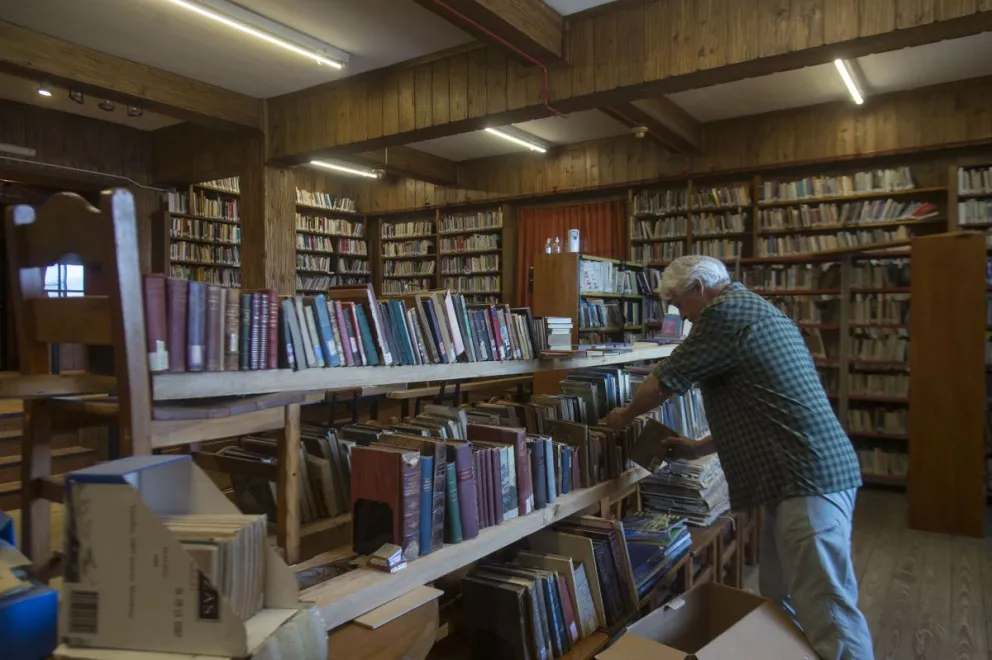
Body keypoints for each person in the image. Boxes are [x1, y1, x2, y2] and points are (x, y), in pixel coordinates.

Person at [606, 255, 873, 660]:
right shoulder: (754, 309)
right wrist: (698, 448)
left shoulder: (723, 315)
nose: (683, 317)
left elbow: (662, 383)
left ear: (699, 289)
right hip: (801, 476)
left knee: (828, 609)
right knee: (780, 596)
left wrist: (623, 416)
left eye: (680, 304)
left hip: (807, 478)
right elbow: (760, 410)